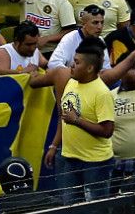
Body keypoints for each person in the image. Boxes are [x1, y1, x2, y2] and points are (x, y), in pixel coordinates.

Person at [47, 39, 115, 201]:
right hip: (68, 158)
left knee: (96, 209)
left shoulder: (102, 93)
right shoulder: (71, 83)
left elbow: (107, 131)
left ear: (90, 68)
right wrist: (54, 145)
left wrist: (77, 120)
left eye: (77, 62)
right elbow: (63, 118)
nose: (71, 65)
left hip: (95, 163)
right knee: (70, 206)